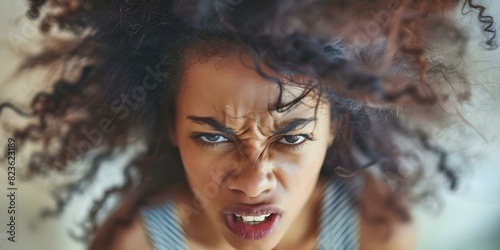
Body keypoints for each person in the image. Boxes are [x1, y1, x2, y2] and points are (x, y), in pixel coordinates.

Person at [1, 0, 497, 249]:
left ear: (333, 130)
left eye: (293, 136)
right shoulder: (132, 242)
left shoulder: (377, 229)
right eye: (212, 136)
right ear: (171, 128)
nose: (254, 181)